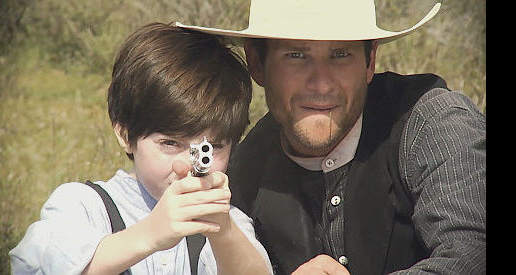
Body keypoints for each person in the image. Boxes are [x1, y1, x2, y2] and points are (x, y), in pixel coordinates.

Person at [176, 0, 486, 274]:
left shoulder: (430, 121)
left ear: (370, 61)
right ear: (258, 64)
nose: (322, 84)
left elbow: (472, 255)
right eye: (297, 55)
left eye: (340, 55)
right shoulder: (246, 168)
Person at [9, 22, 272, 275]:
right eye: (170, 143)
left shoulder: (228, 219)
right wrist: (151, 234)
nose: (187, 166)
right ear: (125, 135)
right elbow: (42, 265)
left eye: (210, 148)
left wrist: (222, 232)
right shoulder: (84, 205)